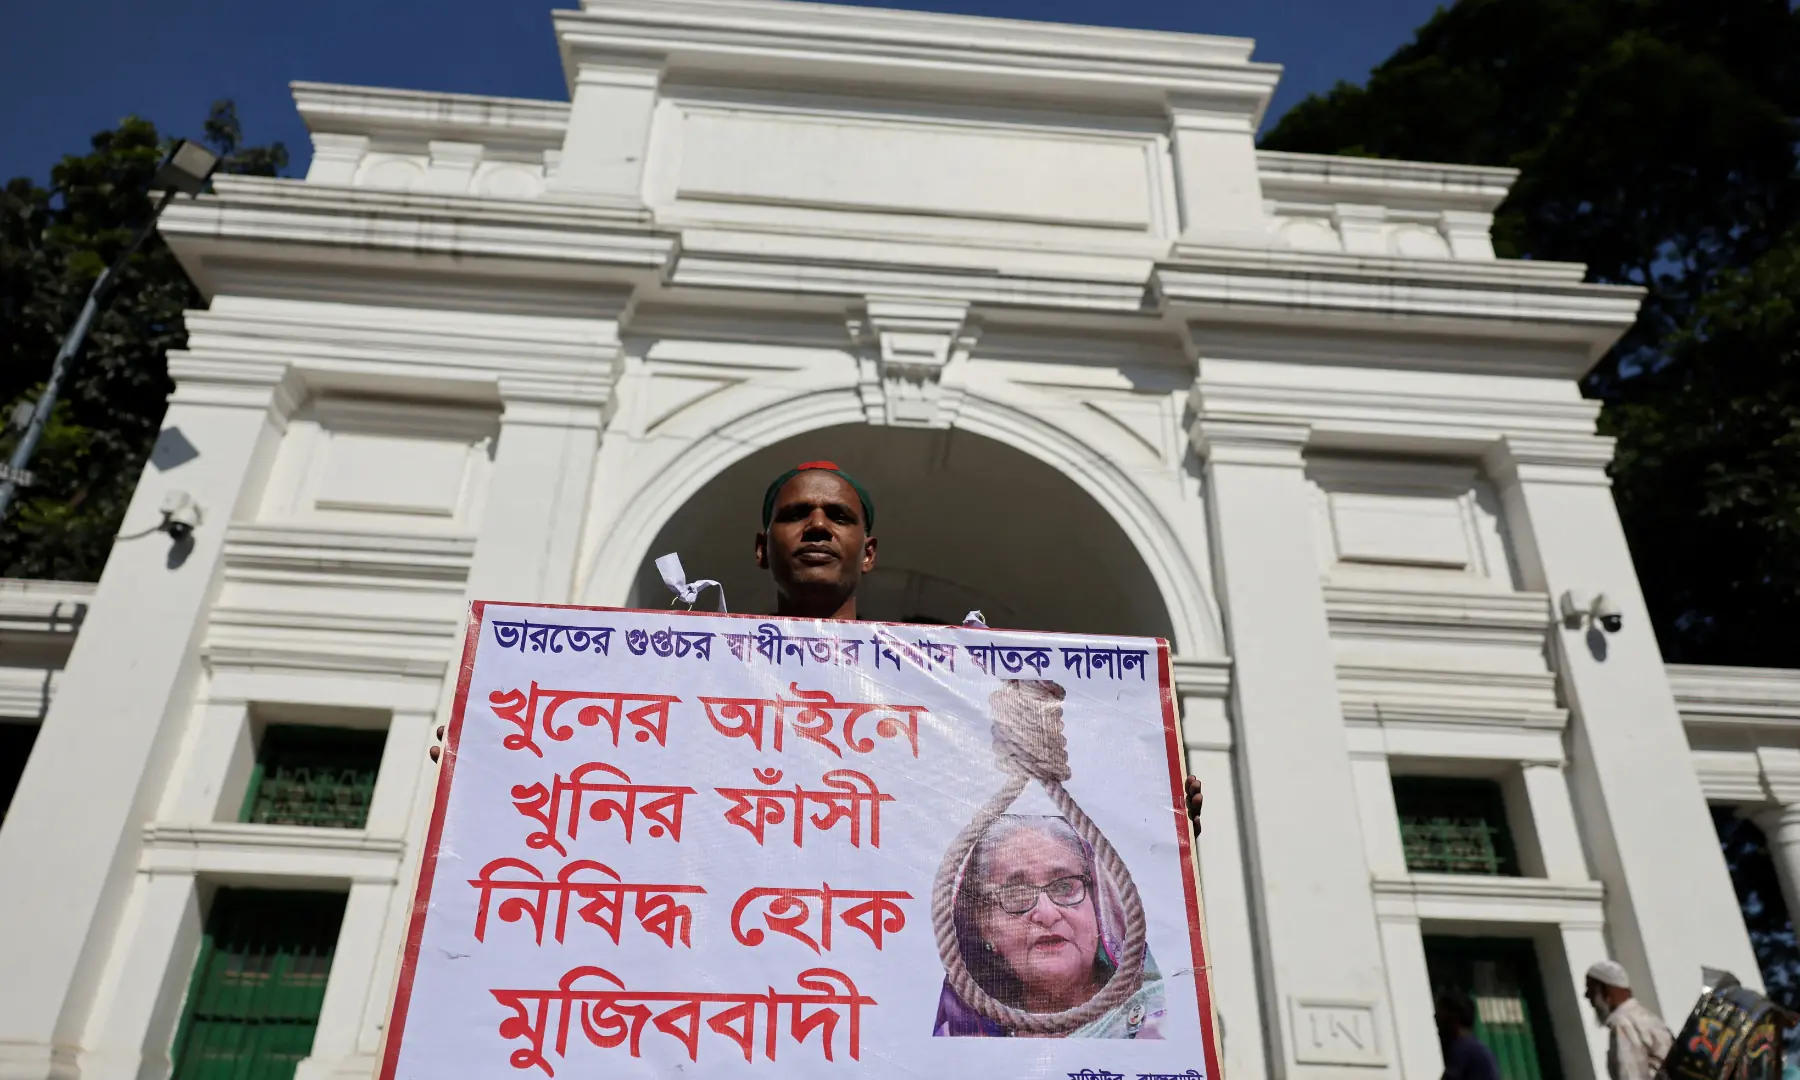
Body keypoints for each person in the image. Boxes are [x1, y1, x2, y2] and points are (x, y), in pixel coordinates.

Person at [430, 458, 1208, 834]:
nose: (816, 526)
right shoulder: (685, 670)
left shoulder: (945, 686)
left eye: (836, 517)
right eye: (796, 515)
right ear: (763, 548)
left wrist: (1144, 794)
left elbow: (1028, 786)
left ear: (868, 551)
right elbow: (612, 771)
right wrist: (499, 754)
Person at [935, 813, 1166, 1038]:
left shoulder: (1157, 1018)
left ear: (1100, 907)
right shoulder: (957, 1036)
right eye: (1016, 894)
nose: (1047, 914)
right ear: (986, 927)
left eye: (1065, 887)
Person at [1585, 959, 1673, 1080]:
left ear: (1605, 991)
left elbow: (1629, 1075)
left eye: (1590, 989)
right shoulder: (1645, 1016)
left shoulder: (1622, 1024)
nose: (1587, 995)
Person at [1435, 989, 1501, 1080]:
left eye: (1440, 1014)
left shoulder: (1462, 1048)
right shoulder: (1476, 1048)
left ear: (1454, 1017)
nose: (1436, 1018)